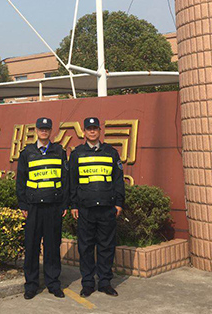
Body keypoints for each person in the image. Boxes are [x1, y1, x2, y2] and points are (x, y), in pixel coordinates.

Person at [69, 116, 125, 297]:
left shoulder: (111, 153)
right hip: (85, 208)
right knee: (85, 247)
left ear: (100, 131)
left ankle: (105, 282)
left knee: (106, 246)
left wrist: (118, 203)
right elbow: (72, 182)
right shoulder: (77, 154)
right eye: (89, 129)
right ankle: (87, 283)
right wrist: (73, 205)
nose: (92, 131)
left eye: (95, 128)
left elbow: (118, 180)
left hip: (107, 208)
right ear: (84, 132)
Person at [16, 117, 68, 300]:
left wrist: (64, 204)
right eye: (41, 129)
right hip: (33, 207)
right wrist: (23, 204)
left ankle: (53, 283)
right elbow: (21, 180)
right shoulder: (27, 153)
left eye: (47, 129)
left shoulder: (59, 152)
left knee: (52, 246)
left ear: (51, 131)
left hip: (53, 206)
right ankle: (31, 285)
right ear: (36, 131)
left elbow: (65, 180)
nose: (44, 131)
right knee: (31, 246)